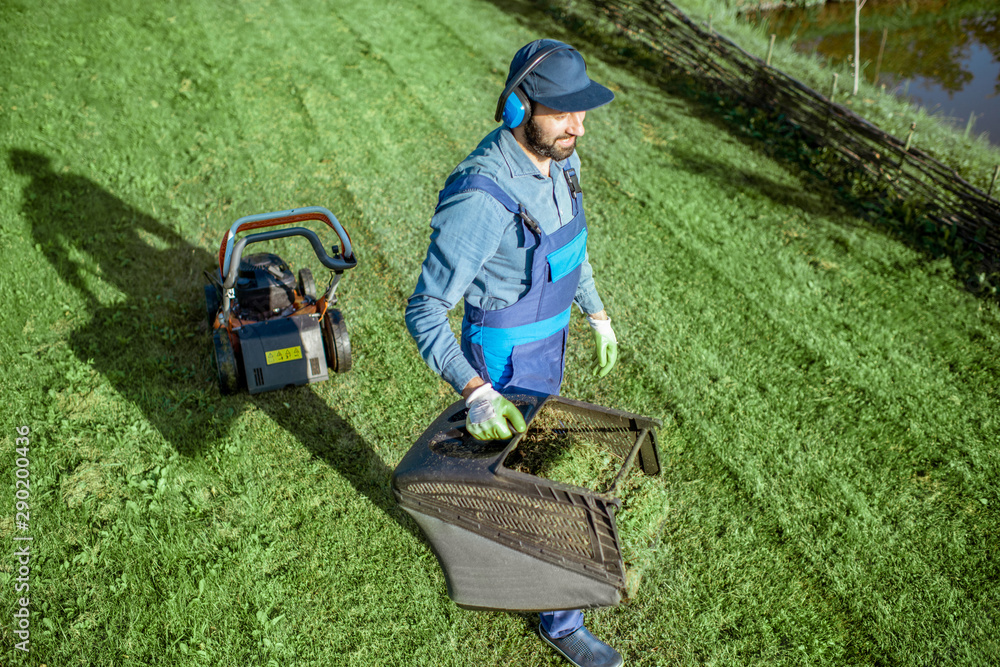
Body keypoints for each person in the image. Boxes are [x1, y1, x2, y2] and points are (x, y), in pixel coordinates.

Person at [404, 39, 622, 667]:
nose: (577, 127)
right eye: (562, 113)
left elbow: (568, 248)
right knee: (534, 490)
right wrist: (476, 392)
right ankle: (560, 619)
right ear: (516, 108)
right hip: (500, 363)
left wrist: (597, 312)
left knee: (533, 476)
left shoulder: (559, 163)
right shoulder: (481, 195)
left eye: (582, 112)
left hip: (548, 347)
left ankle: (503, 554)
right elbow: (424, 309)